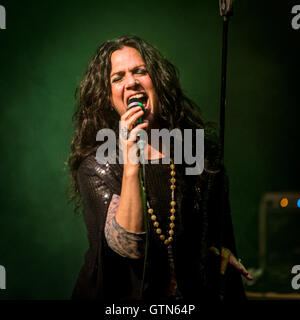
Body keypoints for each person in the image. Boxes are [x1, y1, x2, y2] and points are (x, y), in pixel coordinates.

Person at [68, 35, 249, 302]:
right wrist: (131, 163)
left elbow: (217, 232)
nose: (131, 82)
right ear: (107, 97)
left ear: (158, 82)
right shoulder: (97, 164)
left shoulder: (198, 153)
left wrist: (218, 256)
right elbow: (128, 247)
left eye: (140, 71)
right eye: (118, 77)